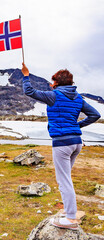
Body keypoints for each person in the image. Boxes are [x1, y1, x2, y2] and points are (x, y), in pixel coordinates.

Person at [21, 63, 101, 230]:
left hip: (62, 144)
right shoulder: (78, 97)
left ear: (56, 82)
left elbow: (29, 91)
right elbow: (95, 115)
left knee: (64, 180)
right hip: (76, 143)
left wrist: (26, 75)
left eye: (53, 82)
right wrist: (77, 126)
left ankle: (71, 218)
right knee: (66, 179)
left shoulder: (54, 95)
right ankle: (68, 210)